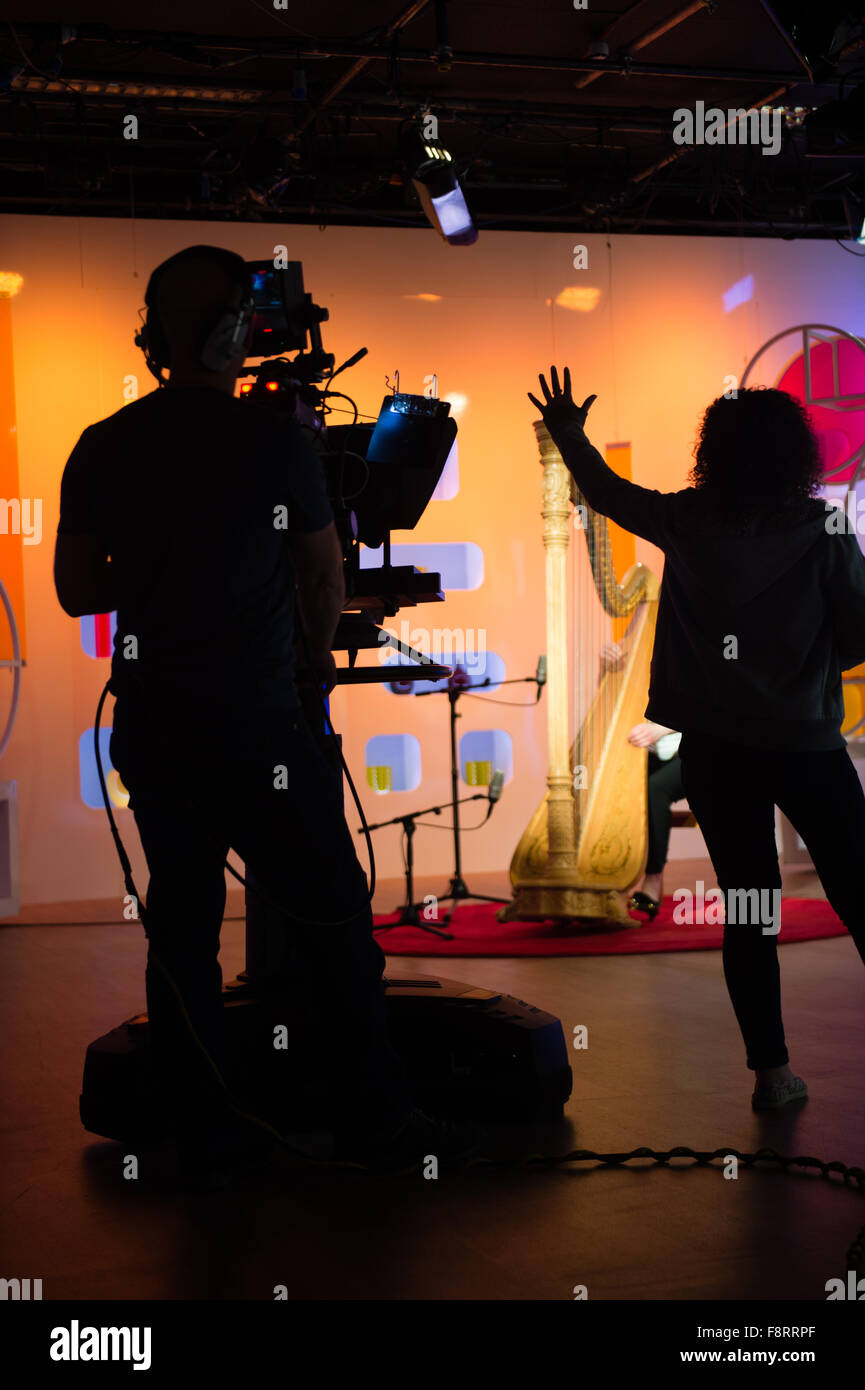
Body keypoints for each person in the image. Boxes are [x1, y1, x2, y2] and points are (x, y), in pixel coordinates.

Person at [54, 244, 475, 1177]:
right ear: (237, 334)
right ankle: (377, 1124)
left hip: (159, 726)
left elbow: (79, 592)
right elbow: (321, 576)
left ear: (150, 335)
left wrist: (165, 568)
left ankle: (205, 1130)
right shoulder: (275, 442)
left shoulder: (102, 444)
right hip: (266, 725)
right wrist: (306, 665)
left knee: (183, 928)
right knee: (332, 922)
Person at [529, 366, 865, 1110]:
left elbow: (608, 496)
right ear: (795, 454)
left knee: (749, 910)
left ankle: (771, 1077)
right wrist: (808, 664)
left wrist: (568, 433)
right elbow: (858, 635)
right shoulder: (826, 528)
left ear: (713, 452)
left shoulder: (683, 520)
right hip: (806, 745)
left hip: (717, 750)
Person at [599, 642, 684, 919]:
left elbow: (714, 702)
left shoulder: (698, 642)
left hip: (701, 747)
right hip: (654, 751)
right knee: (613, 783)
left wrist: (661, 729)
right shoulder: (638, 645)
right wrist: (606, 670)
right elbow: (610, 703)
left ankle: (653, 877)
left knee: (655, 789)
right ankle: (608, 873)